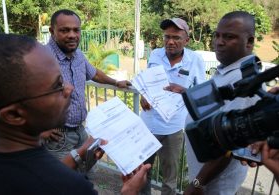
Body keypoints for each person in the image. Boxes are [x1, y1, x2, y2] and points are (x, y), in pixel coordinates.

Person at [0, 33, 150, 195]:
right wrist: (130, 192)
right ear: (14, 115)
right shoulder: (72, 188)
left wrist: (79, 153)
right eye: (57, 85)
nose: (69, 89)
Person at [182, 11, 261, 195]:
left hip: (213, 185)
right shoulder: (229, 71)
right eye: (217, 35)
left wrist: (197, 184)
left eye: (229, 37)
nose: (219, 42)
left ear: (249, 41)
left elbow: (228, 144)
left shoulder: (246, 80)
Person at [41, 9, 131, 159]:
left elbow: (94, 73)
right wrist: (39, 131)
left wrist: (115, 82)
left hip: (80, 131)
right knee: (63, 181)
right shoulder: (42, 58)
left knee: (84, 173)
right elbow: (21, 96)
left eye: (76, 30)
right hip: (57, 138)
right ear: (52, 31)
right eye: (65, 30)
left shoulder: (78, 55)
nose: (72, 35)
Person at [139, 18, 206, 195]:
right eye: (167, 37)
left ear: (186, 41)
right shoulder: (154, 55)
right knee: (142, 170)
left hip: (173, 127)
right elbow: (147, 82)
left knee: (170, 176)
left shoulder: (195, 60)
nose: (170, 41)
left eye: (176, 37)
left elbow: (201, 93)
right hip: (148, 125)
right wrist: (144, 95)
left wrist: (183, 90)